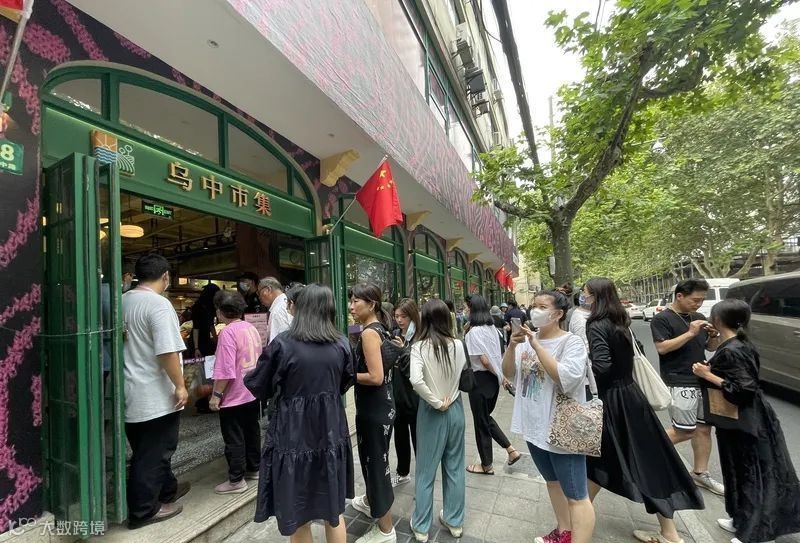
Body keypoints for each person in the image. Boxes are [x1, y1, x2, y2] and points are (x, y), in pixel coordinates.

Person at [584, 278, 703, 543]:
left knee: (600, 459)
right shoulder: (621, 321)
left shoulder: (596, 324)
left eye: (586, 294)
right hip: (632, 396)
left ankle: (576, 518)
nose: (584, 298)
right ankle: (669, 532)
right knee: (647, 460)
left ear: (595, 297)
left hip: (613, 401)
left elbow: (602, 366)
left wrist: (580, 368)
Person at [244, 284, 355, 542]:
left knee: (297, 509)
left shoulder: (283, 344)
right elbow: (346, 381)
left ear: (301, 308)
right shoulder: (342, 343)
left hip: (293, 432)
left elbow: (260, 385)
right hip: (330, 428)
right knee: (334, 510)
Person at [692, 299, 800, 543]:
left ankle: (759, 531)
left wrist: (708, 375)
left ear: (718, 319)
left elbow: (744, 389)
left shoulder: (734, 350)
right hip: (736, 420)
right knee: (736, 470)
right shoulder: (735, 344)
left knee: (753, 473)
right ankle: (741, 519)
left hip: (748, 421)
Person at [501, 290, 595, 543]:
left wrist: (537, 346)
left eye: (542, 307)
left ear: (558, 314)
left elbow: (565, 379)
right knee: (552, 482)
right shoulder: (526, 340)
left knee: (577, 495)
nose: (535, 310)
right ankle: (564, 532)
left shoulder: (571, 343)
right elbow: (508, 373)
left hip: (561, 428)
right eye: (534, 305)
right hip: (534, 427)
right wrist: (513, 345)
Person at [122, 254, 190, 529]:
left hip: (130, 390)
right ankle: (144, 510)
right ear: (165, 276)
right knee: (153, 454)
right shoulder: (159, 304)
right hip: (155, 394)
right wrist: (180, 385)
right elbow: (167, 351)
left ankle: (166, 491)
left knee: (147, 448)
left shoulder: (123, 301)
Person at [650, 278, 724, 495]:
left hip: (702, 378)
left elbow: (710, 347)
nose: (698, 304)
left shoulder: (699, 317)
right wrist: (690, 332)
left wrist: (714, 336)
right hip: (679, 380)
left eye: (701, 300)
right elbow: (662, 348)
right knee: (684, 430)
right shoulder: (662, 319)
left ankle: (700, 473)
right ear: (679, 296)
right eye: (694, 300)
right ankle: (643, 453)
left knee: (704, 429)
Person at [408, 299, 468, 542]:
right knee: (455, 467)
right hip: (455, 408)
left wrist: (435, 401)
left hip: (432, 412)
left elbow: (416, 380)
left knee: (425, 471)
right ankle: (455, 521)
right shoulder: (458, 344)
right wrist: (446, 399)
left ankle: (421, 526)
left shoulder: (419, 347)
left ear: (425, 319)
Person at [349, 283, 397, 543]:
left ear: (371, 304)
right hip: (381, 406)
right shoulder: (380, 328)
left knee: (376, 465)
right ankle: (370, 501)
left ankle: (386, 529)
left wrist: (347, 375)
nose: (351, 307)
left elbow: (376, 377)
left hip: (374, 408)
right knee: (374, 460)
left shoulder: (369, 333)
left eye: (356, 301)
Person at [208, 291, 262, 494]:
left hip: (234, 395)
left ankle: (236, 480)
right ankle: (254, 468)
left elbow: (225, 369)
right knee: (251, 430)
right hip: (251, 391)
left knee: (234, 437)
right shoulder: (250, 328)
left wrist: (216, 396)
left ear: (221, 311)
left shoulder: (228, 333)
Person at [464, 294, 520, 475]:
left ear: (472, 309)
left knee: (481, 422)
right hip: (492, 382)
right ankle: (510, 450)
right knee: (485, 418)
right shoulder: (493, 329)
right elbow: (497, 356)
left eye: (466, 307)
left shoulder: (473, 333)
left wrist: (501, 376)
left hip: (480, 380)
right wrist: (500, 376)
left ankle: (486, 465)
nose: (465, 310)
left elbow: (484, 360)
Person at [390, 298, 420, 487]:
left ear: (412, 316)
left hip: (415, 397)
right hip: (397, 394)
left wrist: (403, 351)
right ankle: (403, 472)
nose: (399, 320)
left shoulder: (420, 337)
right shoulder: (394, 334)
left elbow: (415, 371)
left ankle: (423, 476)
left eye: (404, 316)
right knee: (400, 436)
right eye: (397, 316)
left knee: (418, 439)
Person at [258, 276, 292, 344]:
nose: (260, 298)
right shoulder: (288, 302)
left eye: (259, 293)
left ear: (268, 290)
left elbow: (276, 343)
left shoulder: (277, 311)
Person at [192, 283, 220, 361]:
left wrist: (216, 340)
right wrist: (196, 348)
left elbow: (211, 325)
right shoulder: (198, 307)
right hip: (198, 340)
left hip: (206, 338)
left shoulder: (210, 306)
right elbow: (196, 327)